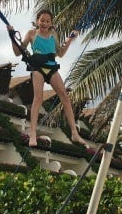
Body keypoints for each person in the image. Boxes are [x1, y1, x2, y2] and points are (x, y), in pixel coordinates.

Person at [8, 9, 86, 147]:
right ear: (37, 21)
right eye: (42, 20)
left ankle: (74, 132)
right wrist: (11, 36)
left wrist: (69, 40)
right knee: (38, 97)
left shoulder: (54, 35)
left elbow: (60, 54)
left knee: (65, 97)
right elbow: (17, 52)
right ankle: (32, 134)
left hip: (52, 68)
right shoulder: (32, 34)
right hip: (37, 67)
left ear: (51, 23)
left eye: (47, 21)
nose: (44, 23)